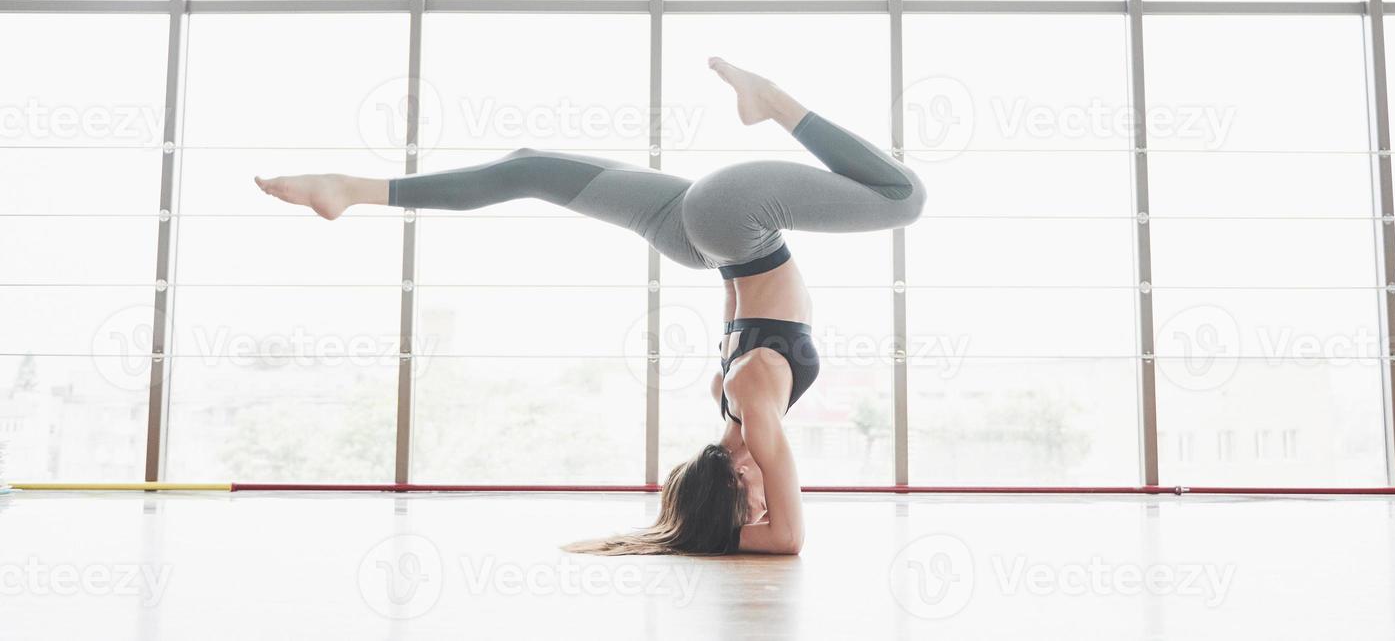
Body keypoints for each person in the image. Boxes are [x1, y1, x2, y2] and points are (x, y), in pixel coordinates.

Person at [256, 58, 926, 555]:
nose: (762, 505)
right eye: (756, 509)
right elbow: (765, 516)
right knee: (529, 167)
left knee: (904, 199)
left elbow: (788, 541)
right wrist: (695, 526)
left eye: (747, 506)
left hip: (734, 220)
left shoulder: (754, 412)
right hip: (698, 241)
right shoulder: (731, 400)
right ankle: (349, 188)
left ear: (730, 491)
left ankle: (772, 100)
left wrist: (713, 535)